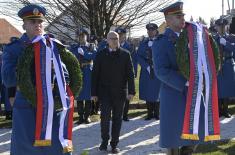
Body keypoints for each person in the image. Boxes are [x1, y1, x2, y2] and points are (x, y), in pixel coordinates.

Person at [2, 4, 75, 155]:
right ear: (24, 25)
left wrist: (57, 70)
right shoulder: (13, 48)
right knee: (27, 150)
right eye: (32, 22)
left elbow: (67, 77)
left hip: (52, 107)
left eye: (40, 22)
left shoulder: (52, 46)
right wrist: (32, 66)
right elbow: (8, 79)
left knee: (55, 149)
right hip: (26, 108)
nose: (37, 25)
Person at [152, 2, 207, 155]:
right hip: (174, 94)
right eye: (178, 16)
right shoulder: (161, 41)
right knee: (175, 137)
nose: (182, 18)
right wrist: (184, 82)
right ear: (168, 21)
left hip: (193, 92)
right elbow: (161, 71)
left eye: (182, 15)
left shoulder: (191, 38)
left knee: (194, 133)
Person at [91, 31, 135, 153]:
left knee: (117, 119)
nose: (115, 40)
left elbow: (130, 74)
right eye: (113, 38)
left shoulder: (126, 55)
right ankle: (104, 142)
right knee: (104, 118)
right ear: (107, 40)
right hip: (104, 93)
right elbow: (95, 75)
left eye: (117, 38)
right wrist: (94, 93)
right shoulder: (100, 55)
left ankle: (114, 144)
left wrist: (131, 91)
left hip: (120, 93)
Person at [70, 28, 97, 124]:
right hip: (78, 72)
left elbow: (94, 56)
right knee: (79, 95)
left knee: (88, 95)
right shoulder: (74, 47)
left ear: (86, 36)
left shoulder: (91, 46)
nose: (81, 38)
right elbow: (71, 57)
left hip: (88, 72)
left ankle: (87, 116)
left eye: (83, 36)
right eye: (79, 36)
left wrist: (84, 53)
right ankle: (81, 116)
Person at [137, 23, 161, 120]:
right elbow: (138, 56)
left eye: (152, 30)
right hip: (147, 71)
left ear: (156, 31)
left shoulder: (161, 41)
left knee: (157, 92)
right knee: (148, 91)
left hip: (158, 70)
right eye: (149, 31)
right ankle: (149, 113)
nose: (150, 32)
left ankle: (157, 113)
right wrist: (146, 66)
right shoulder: (143, 42)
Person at [115, 27, 138, 121]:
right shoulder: (112, 46)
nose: (120, 37)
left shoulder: (130, 47)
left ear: (125, 35)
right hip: (115, 74)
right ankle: (116, 114)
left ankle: (124, 114)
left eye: (122, 35)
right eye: (118, 35)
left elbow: (135, 61)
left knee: (126, 95)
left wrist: (134, 73)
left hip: (126, 74)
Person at [214, 18, 235, 118]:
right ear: (216, 27)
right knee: (218, 88)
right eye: (219, 26)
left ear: (227, 26)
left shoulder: (231, 38)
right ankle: (218, 110)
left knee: (226, 88)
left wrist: (225, 43)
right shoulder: (213, 38)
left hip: (228, 64)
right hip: (217, 65)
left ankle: (226, 110)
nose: (221, 28)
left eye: (223, 26)